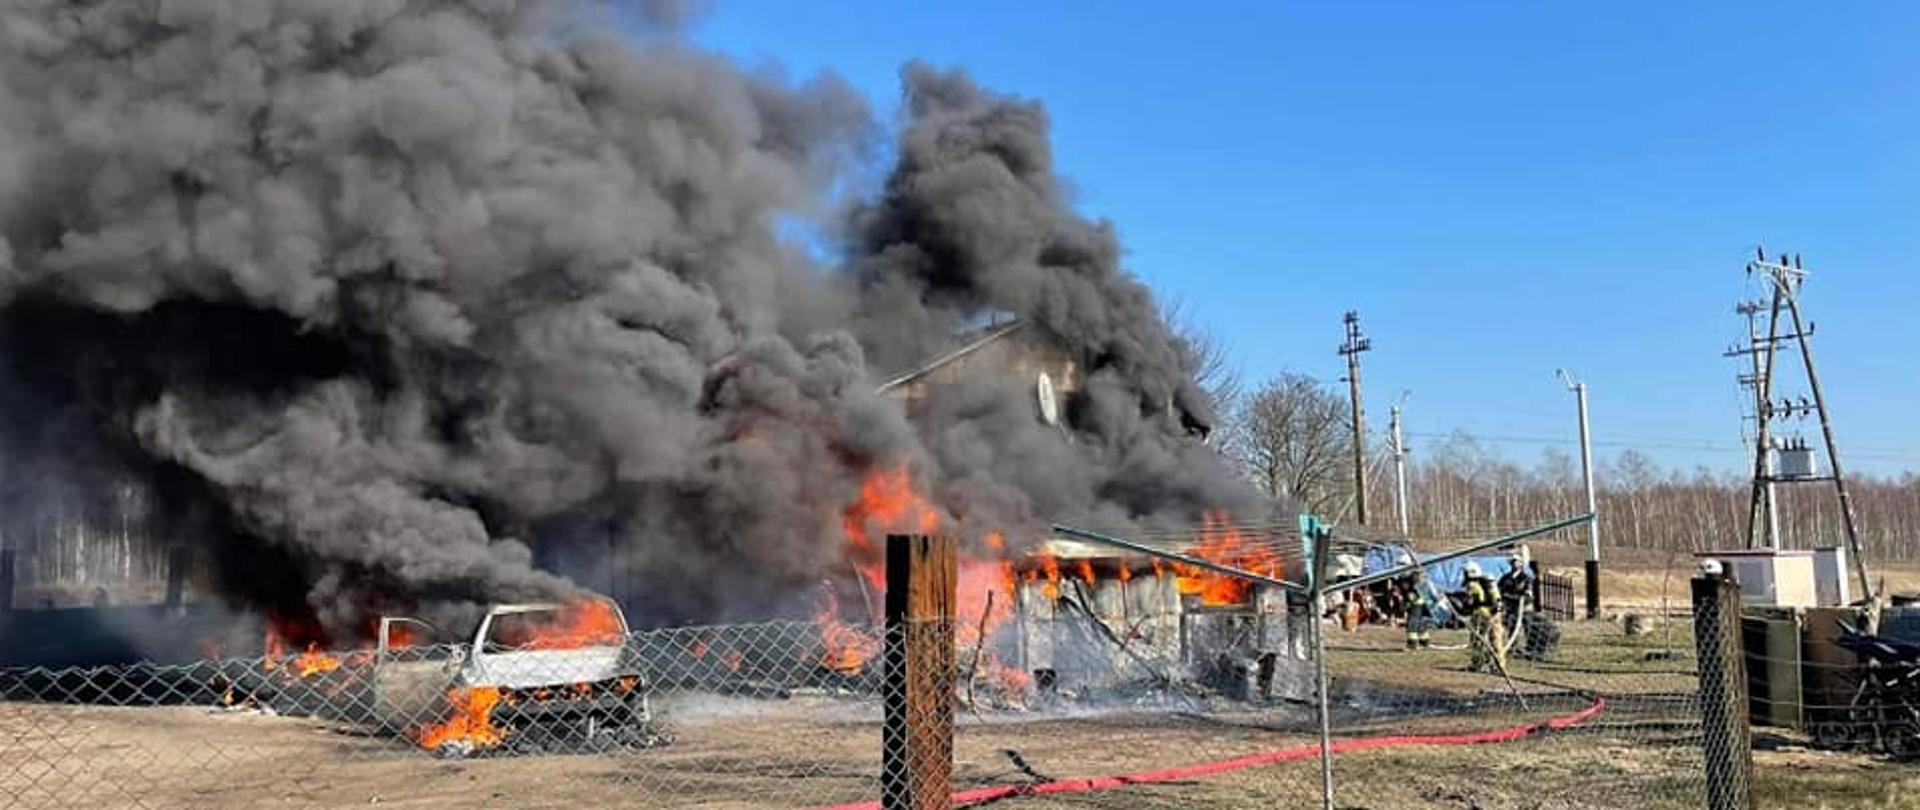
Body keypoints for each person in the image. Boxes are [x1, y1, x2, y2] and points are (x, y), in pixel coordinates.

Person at [1462, 561, 1505, 673]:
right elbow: (1498, 601)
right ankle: (1499, 666)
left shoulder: (1472, 586)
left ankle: (1477, 664)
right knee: (1496, 641)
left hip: (1480, 616)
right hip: (1494, 615)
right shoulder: (1489, 583)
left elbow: (1468, 603)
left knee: (1477, 640)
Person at [1401, 568, 1432, 650]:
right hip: (1419, 601)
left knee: (1413, 622)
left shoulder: (1414, 579)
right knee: (1420, 622)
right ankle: (1424, 641)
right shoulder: (1407, 579)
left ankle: (1413, 643)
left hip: (1417, 602)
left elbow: (1412, 592)